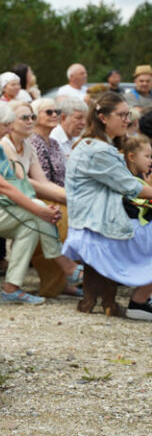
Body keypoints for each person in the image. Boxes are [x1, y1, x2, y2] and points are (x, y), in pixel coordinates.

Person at [0, 100, 82, 305]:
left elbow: (16, 184)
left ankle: (12, 288)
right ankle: (66, 265)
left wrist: (42, 208)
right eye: (6, 125)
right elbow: (1, 187)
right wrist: (40, 209)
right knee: (34, 215)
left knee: (29, 227)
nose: (9, 129)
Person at [64, 92, 152, 320]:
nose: (127, 120)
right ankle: (139, 302)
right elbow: (131, 186)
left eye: (128, 115)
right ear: (103, 118)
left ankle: (139, 299)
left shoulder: (96, 144)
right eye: (121, 115)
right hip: (96, 226)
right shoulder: (98, 149)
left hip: (96, 221)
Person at [30, 98, 66, 186]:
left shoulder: (54, 143)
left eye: (57, 112)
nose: (54, 115)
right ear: (35, 116)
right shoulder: (33, 142)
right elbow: (42, 180)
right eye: (49, 112)